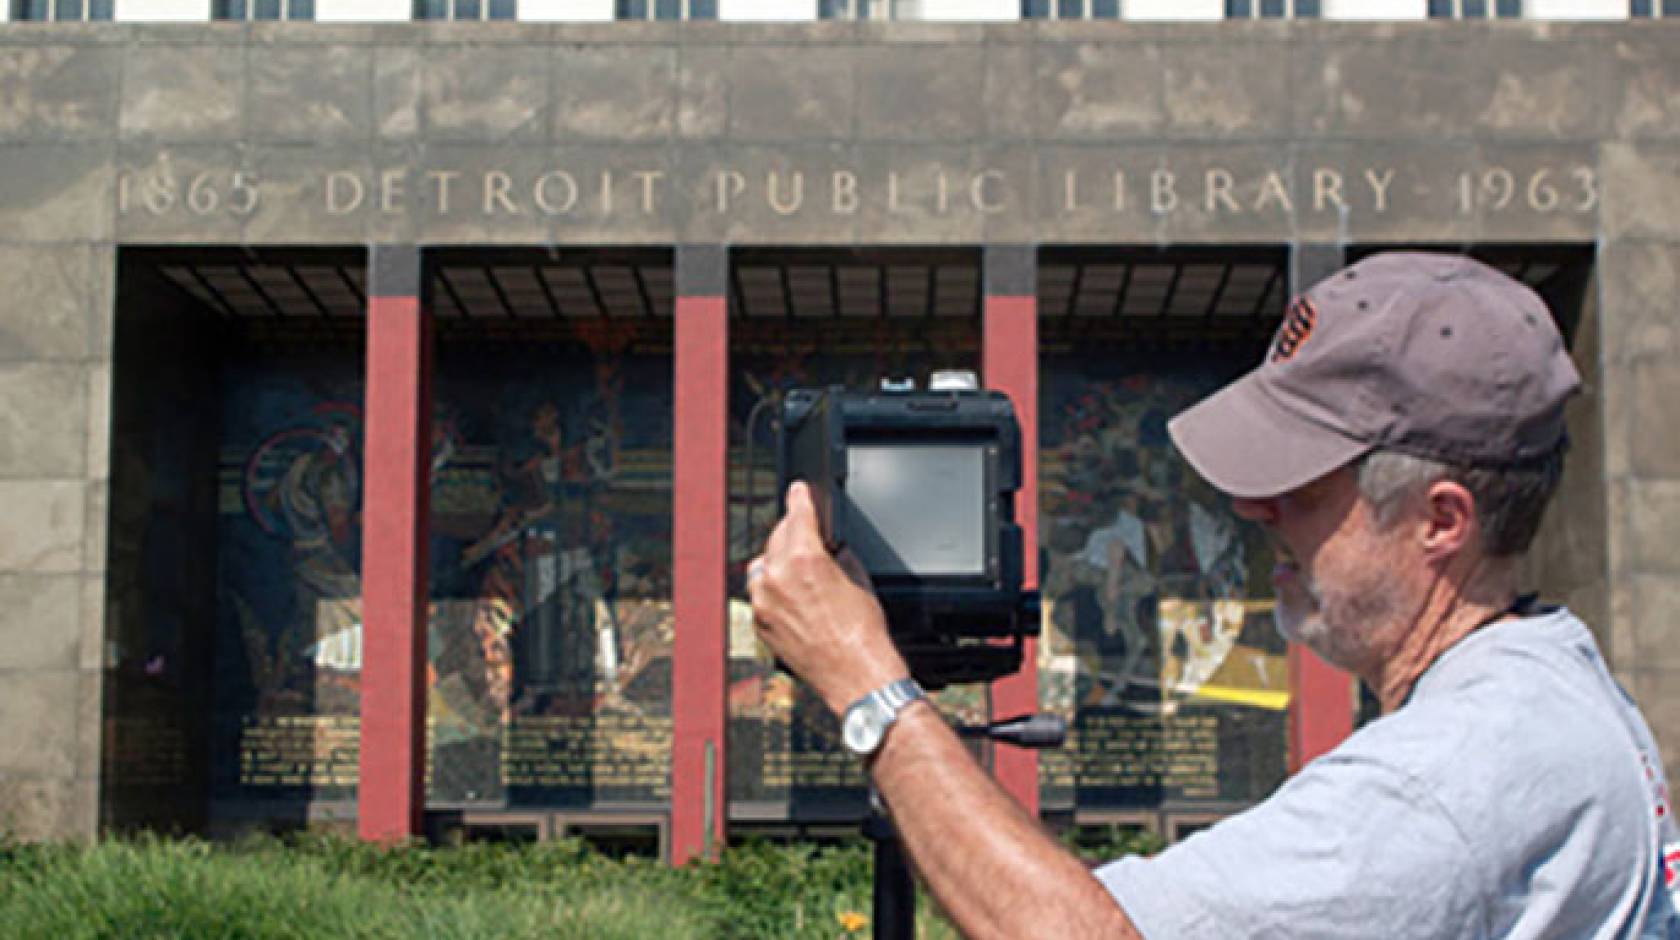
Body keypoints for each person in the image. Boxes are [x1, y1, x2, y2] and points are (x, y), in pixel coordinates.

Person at [746, 252, 1680, 939]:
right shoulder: (1550, 682)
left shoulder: (1445, 779)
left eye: (1303, 483)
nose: (1252, 506)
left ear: (1442, 520)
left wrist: (870, 687)